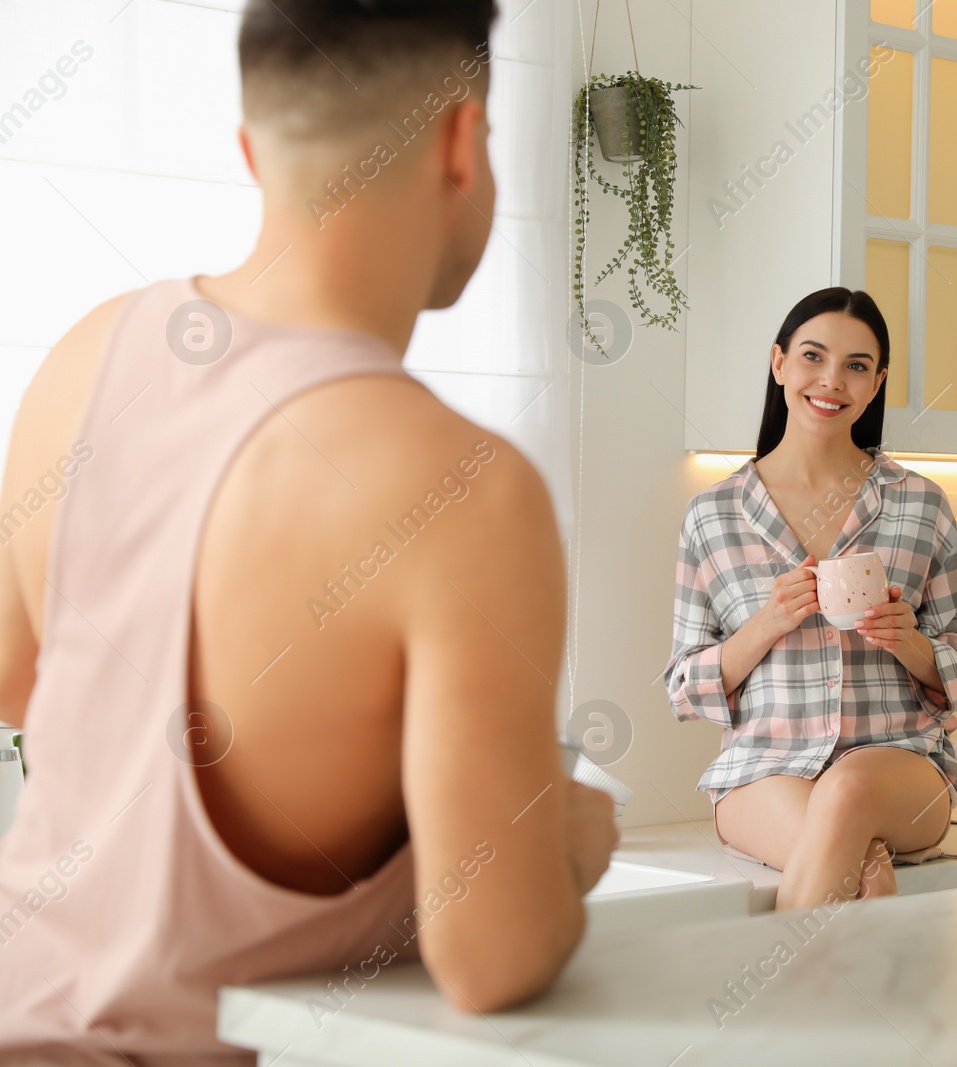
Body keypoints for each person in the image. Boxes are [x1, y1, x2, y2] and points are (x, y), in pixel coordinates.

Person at [0, 2, 616, 1061]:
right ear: (462, 140)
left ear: (252, 151)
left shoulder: (86, 355)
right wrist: (562, 841)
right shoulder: (467, 492)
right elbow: (491, 956)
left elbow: (20, 683)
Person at [664, 287, 957, 912]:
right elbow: (683, 688)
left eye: (856, 366)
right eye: (813, 356)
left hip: (901, 768)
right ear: (779, 362)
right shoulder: (713, 514)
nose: (832, 380)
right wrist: (766, 623)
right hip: (763, 774)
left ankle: (771, 978)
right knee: (867, 875)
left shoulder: (922, 504)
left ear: (877, 382)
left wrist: (909, 642)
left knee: (847, 789)